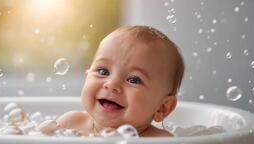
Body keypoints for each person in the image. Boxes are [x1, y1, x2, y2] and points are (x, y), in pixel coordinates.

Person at [39, 25, 185, 137]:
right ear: (87, 78)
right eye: (103, 72)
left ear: (162, 108)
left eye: (134, 79)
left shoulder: (160, 143)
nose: (112, 84)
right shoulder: (70, 123)